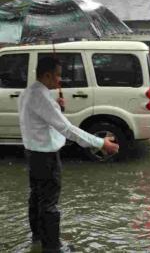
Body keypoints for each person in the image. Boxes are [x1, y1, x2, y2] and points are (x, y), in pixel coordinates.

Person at [18, 56, 119, 253]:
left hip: (32, 154)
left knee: (36, 197)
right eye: (57, 75)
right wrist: (100, 143)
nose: (60, 80)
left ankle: (38, 237)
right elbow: (68, 129)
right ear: (47, 75)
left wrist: (57, 106)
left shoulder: (29, 93)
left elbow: (40, 119)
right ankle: (53, 248)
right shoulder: (42, 97)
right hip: (46, 158)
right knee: (49, 203)